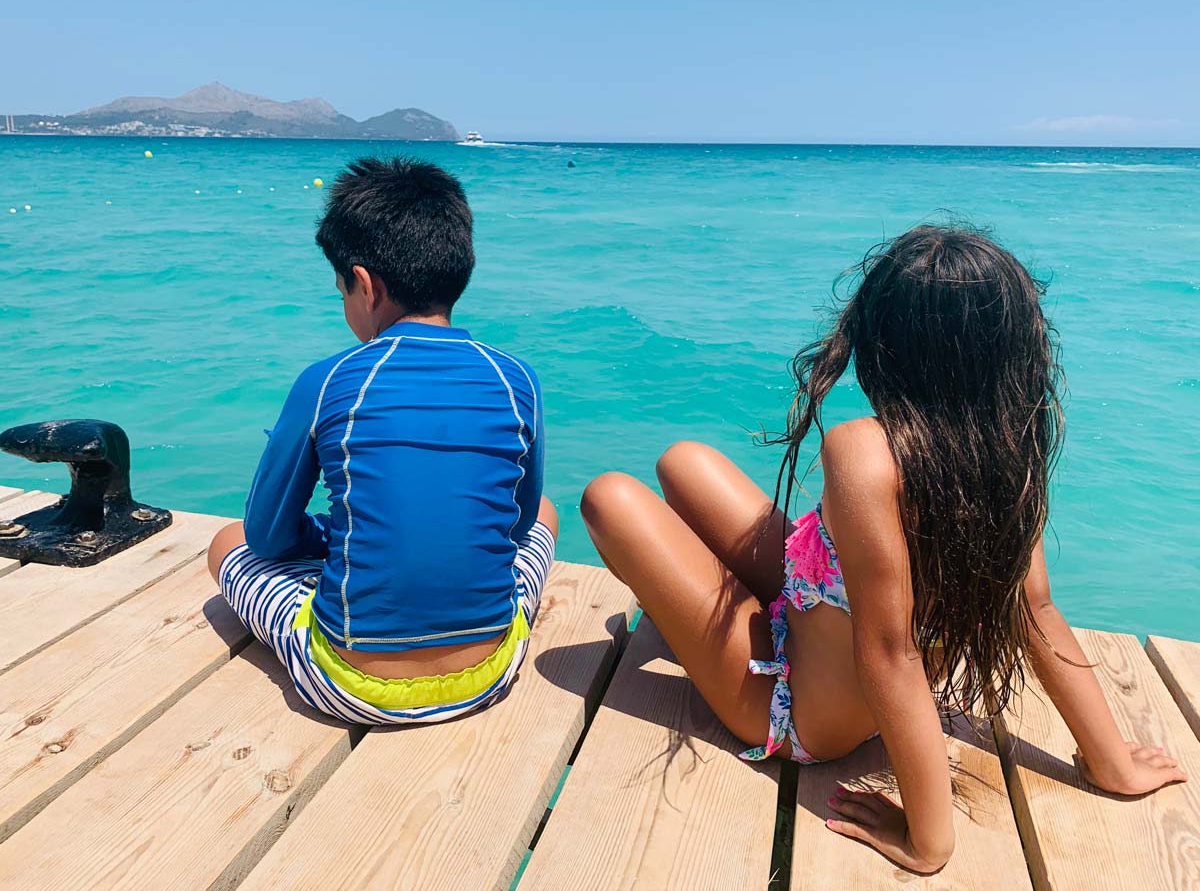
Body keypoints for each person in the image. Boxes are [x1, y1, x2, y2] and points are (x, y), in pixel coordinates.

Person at [579, 224, 1186, 873]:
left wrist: (930, 840)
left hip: (797, 714)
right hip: (829, 640)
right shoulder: (1009, 451)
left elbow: (889, 649)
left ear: (883, 344)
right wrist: (1111, 763)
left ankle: (708, 643)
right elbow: (1037, 611)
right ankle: (723, 623)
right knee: (683, 463)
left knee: (609, 498)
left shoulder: (863, 451)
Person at [207, 156, 555, 726]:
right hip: (490, 670)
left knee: (228, 541)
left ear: (364, 285)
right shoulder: (516, 378)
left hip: (349, 684)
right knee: (546, 511)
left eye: (341, 289)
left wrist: (328, 531)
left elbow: (267, 539)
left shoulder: (327, 380)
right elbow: (515, 528)